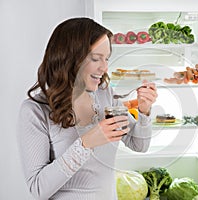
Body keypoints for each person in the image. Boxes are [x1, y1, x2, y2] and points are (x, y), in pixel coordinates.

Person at [17, 17, 157, 200]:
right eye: (96, 58)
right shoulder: (35, 110)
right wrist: (85, 143)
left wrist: (144, 112)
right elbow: (37, 189)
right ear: (70, 57)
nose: (104, 68)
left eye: (106, 59)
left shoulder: (105, 94)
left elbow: (139, 144)